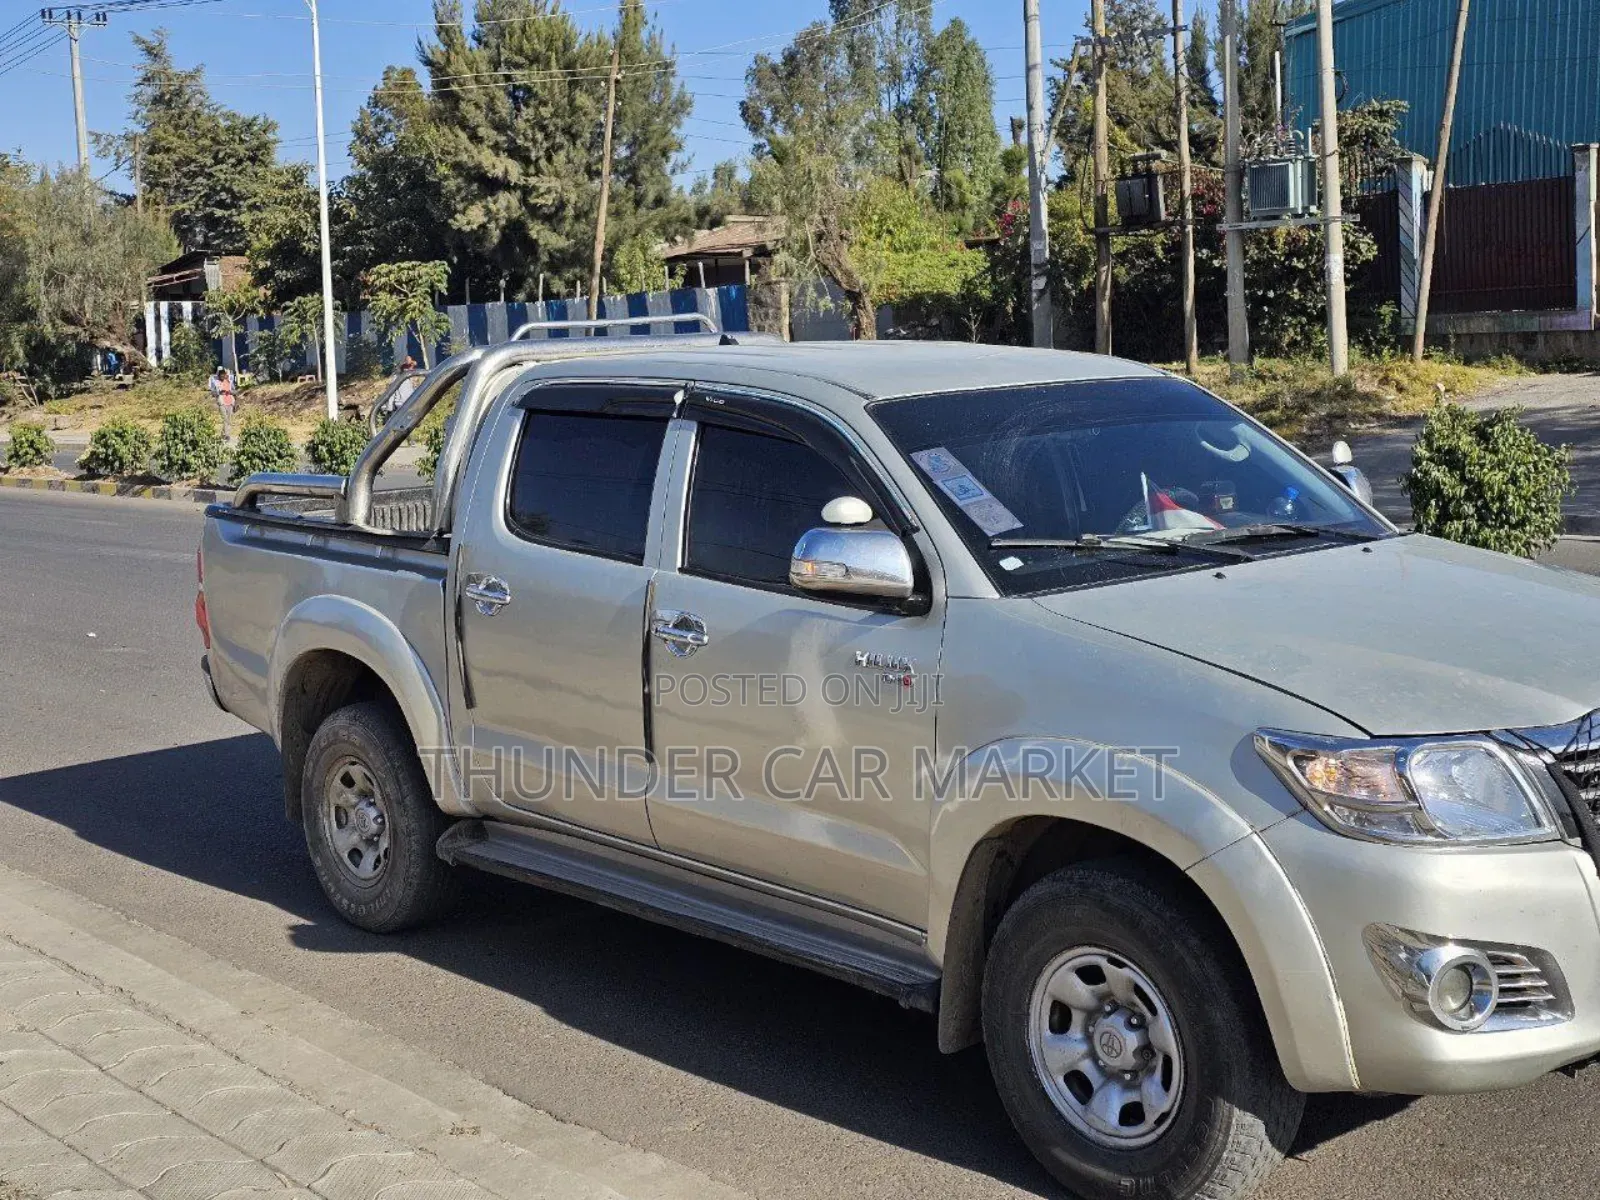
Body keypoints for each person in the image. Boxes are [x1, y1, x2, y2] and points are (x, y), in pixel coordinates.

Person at [208, 367, 236, 440]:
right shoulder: (216, 383)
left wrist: (230, 392)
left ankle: (223, 434)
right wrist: (219, 392)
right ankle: (227, 435)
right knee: (225, 419)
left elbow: (235, 391)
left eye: (224, 375)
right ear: (219, 376)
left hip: (230, 402)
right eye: (221, 375)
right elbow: (212, 392)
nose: (223, 376)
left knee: (229, 419)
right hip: (222, 402)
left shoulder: (229, 382)